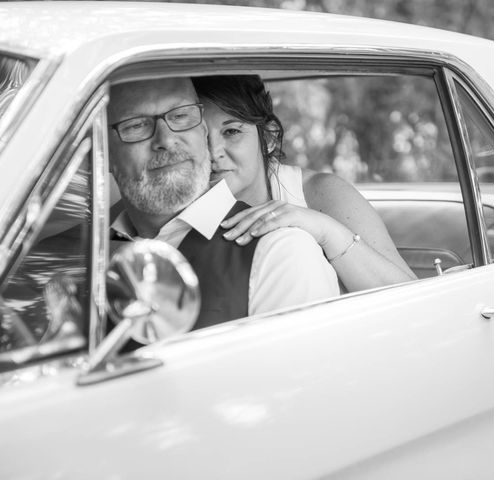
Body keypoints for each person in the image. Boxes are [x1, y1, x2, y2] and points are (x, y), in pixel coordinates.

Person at [107, 77, 339, 330]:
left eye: (180, 116)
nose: (166, 139)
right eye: (136, 125)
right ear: (101, 153)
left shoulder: (281, 252)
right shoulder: (88, 248)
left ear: (202, 133)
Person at [193, 75, 417, 293]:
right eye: (200, 136)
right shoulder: (177, 210)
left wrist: (325, 231)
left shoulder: (320, 193)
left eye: (231, 131)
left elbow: (412, 299)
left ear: (268, 138)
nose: (213, 152)